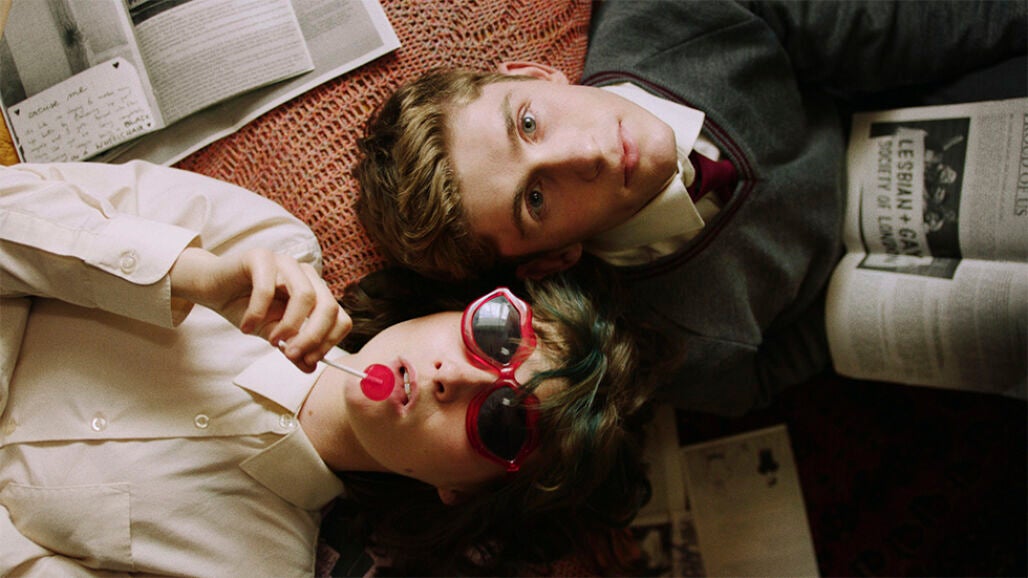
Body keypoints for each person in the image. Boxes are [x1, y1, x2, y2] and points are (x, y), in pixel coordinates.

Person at [354, 0, 1027, 415]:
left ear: (534, 75)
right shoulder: (661, 339)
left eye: (529, 122)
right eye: (536, 199)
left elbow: (882, 31)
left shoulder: (670, 17)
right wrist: (845, 327)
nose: (585, 153)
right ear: (552, 258)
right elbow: (756, 379)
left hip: (902, 106)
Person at [0, 162, 656, 576]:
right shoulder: (263, 239)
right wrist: (189, 275)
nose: (455, 378)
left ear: (460, 491)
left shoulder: (255, 568)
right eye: (496, 335)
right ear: (462, 307)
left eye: (504, 422)